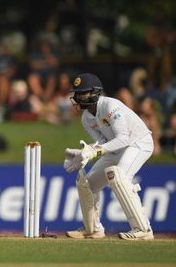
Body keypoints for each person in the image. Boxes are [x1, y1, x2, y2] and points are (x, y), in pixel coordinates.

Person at [63, 73, 154, 241]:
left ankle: (143, 229)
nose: (79, 97)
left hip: (138, 143)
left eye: (84, 92)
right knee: (87, 184)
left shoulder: (111, 106)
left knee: (119, 177)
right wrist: (85, 153)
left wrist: (95, 152)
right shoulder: (86, 118)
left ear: (96, 92)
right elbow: (103, 142)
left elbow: (123, 138)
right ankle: (93, 229)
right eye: (78, 93)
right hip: (116, 148)